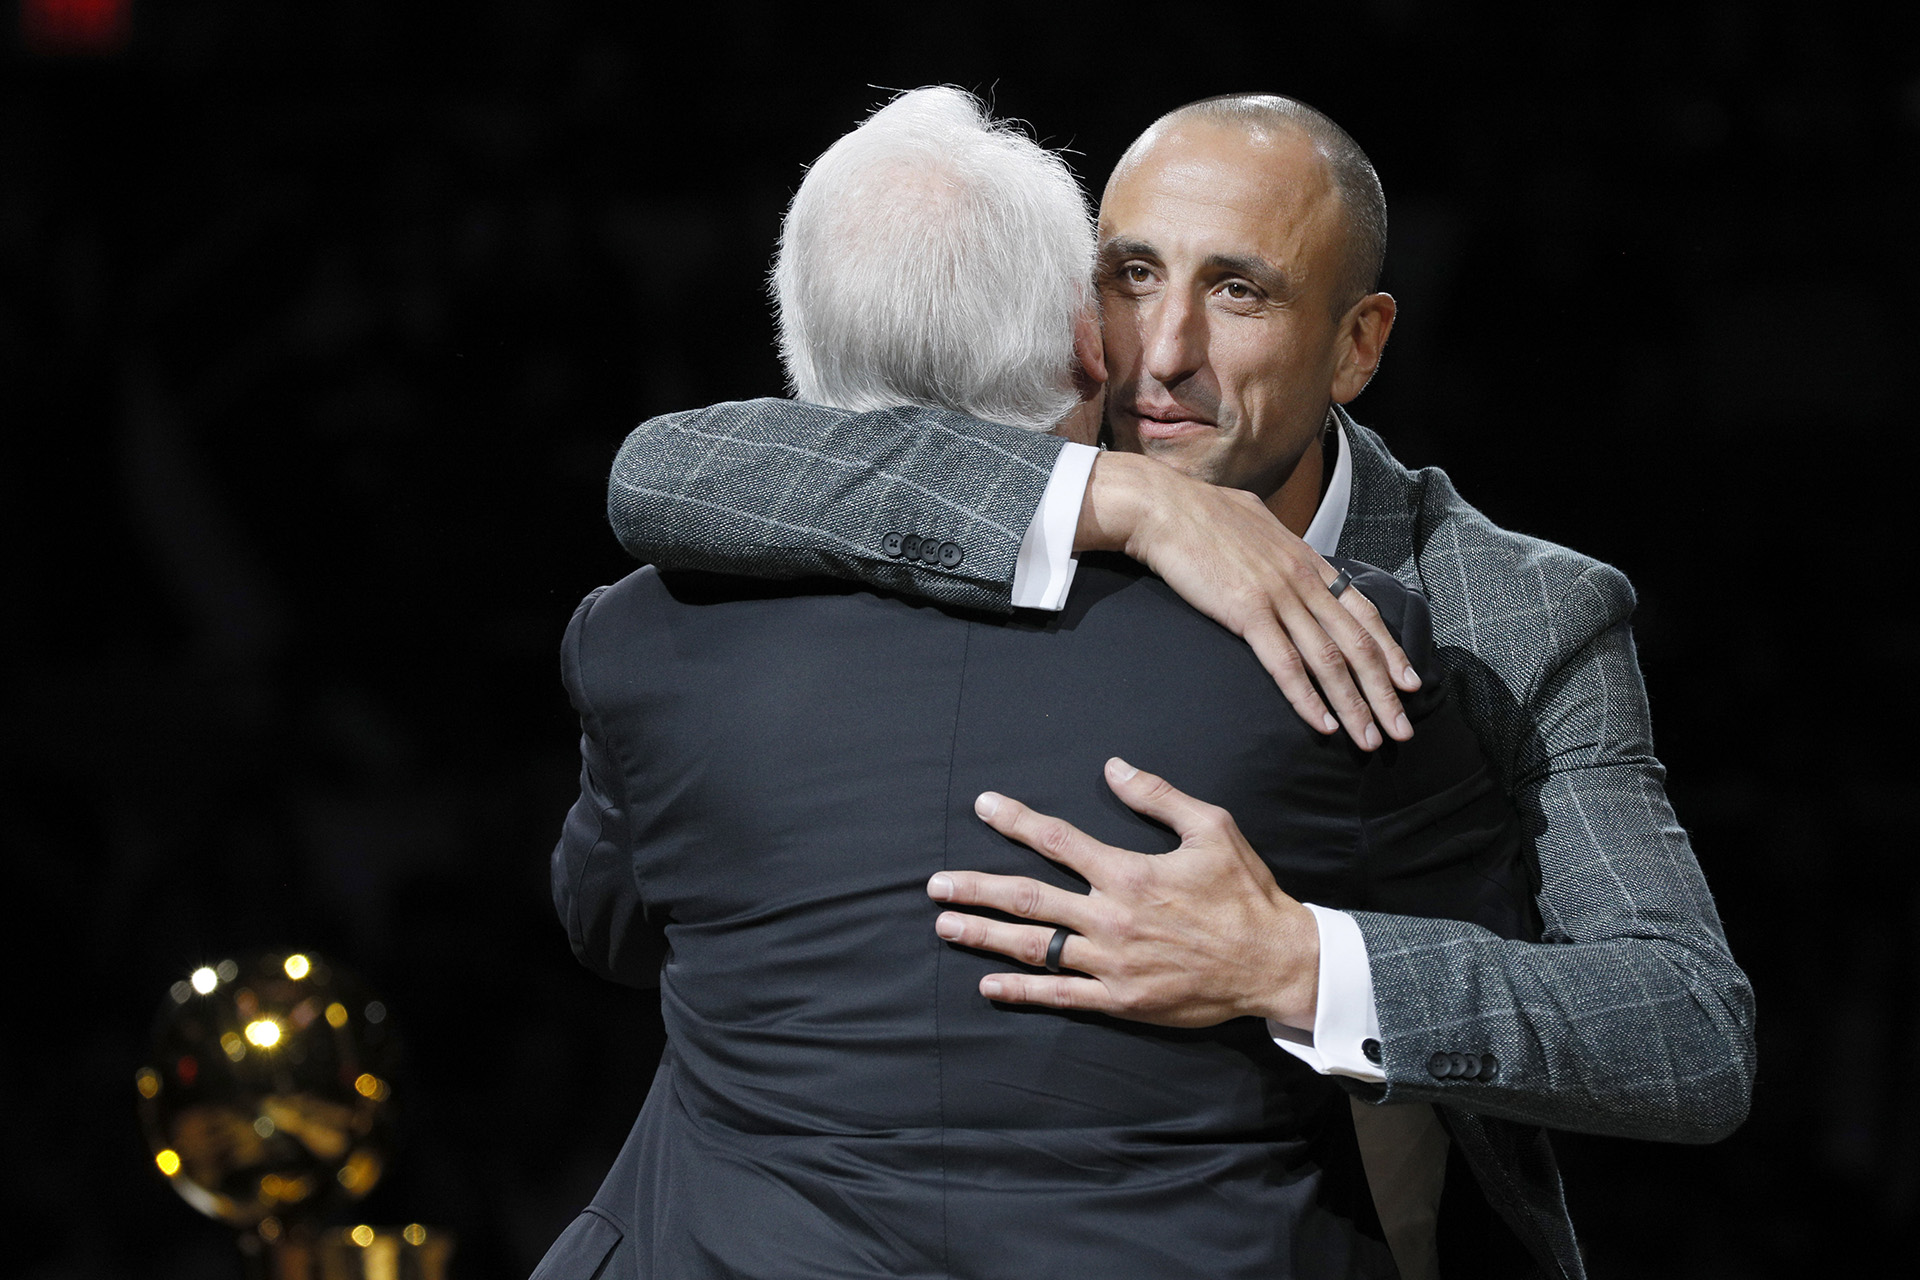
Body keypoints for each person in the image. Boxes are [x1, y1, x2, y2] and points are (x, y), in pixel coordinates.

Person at [598, 93, 1756, 1279]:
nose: (1162, 353)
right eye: (1133, 273)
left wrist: (1291, 961)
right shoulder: (1012, 481)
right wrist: (1133, 502)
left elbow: (1684, 1028)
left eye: (1240, 290)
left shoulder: (1512, 612)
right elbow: (671, 467)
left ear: (1359, 343)